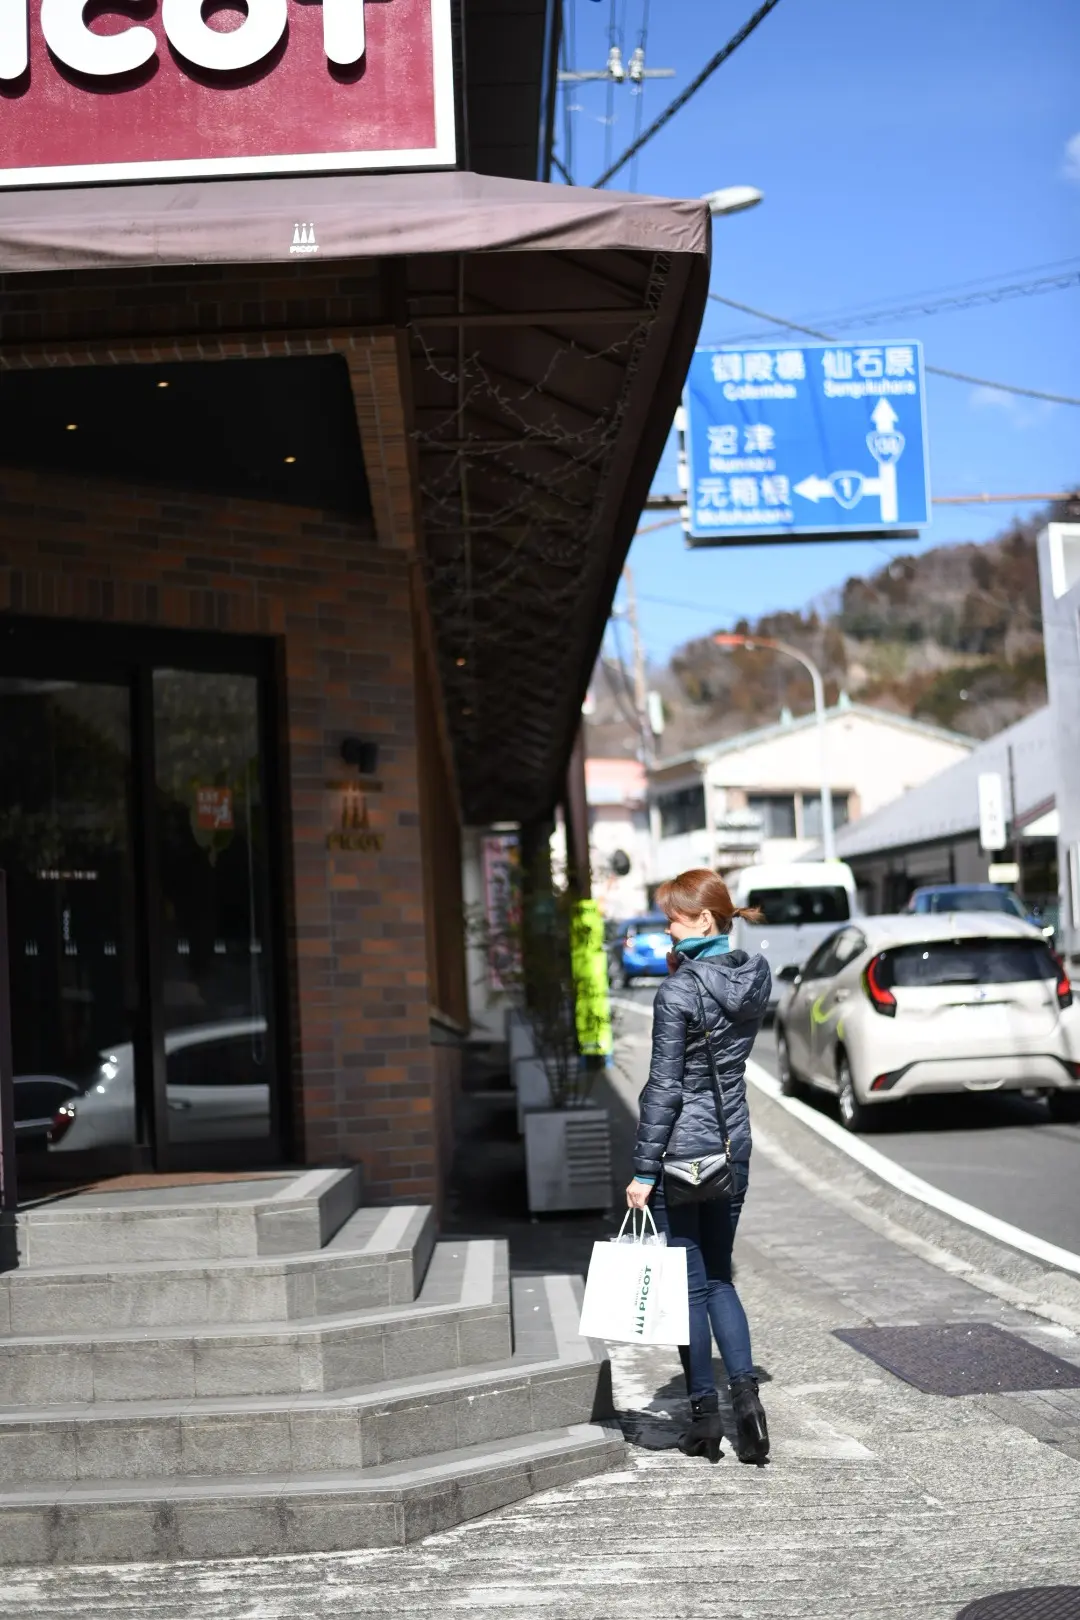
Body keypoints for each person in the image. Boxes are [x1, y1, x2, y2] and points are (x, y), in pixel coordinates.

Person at [626, 867, 771, 1465]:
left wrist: (642, 1170)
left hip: (683, 1157)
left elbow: (664, 1089)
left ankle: (704, 1418)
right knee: (721, 1278)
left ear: (704, 919)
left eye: (674, 917)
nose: (667, 928)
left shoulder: (679, 991)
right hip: (732, 1149)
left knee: (690, 1287)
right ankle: (751, 1410)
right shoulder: (752, 976)